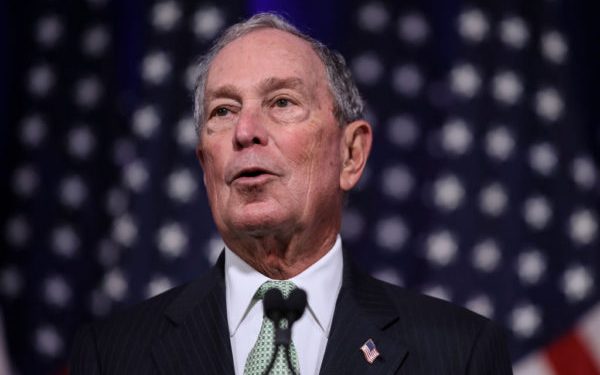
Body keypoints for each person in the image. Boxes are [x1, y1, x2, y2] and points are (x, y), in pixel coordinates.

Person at [70, 12, 513, 375]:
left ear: (350, 154)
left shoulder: (460, 354)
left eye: (282, 102)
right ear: (206, 165)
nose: (245, 132)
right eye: (223, 111)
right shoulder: (111, 356)